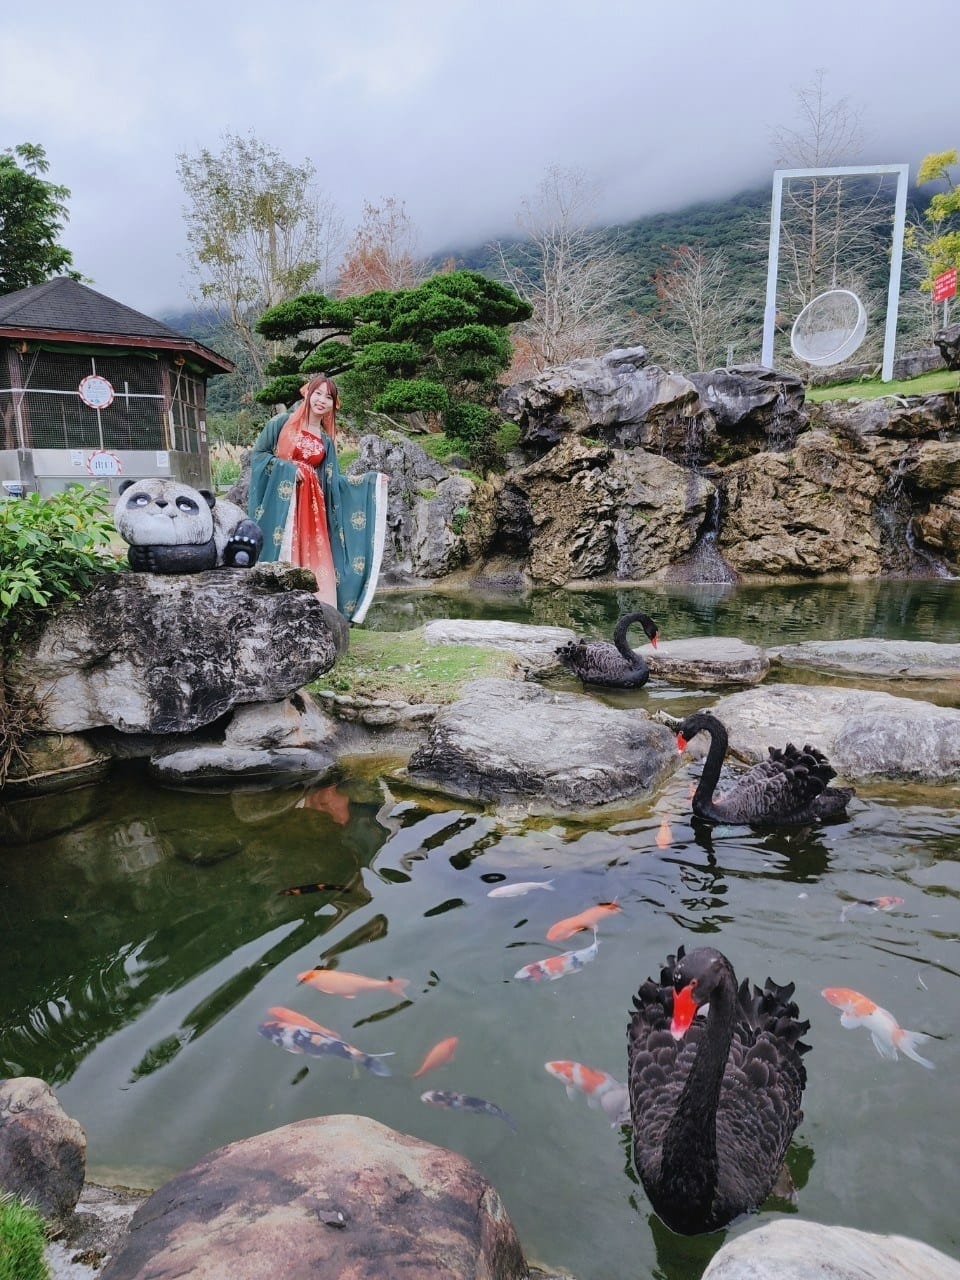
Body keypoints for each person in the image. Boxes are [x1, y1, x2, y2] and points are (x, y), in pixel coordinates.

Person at [248, 375, 388, 624]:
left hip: (312, 509)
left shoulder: (325, 441)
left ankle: (316, 616)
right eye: (318, 393)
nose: (322, 400)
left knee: (315, 556)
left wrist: (370, 482)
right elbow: (259, 456)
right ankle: (276, 614)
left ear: (334, 404)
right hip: (283, 505)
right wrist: (288, 469)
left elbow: (335, 482)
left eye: (329, 397)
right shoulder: (281, 423)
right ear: (307, 393)